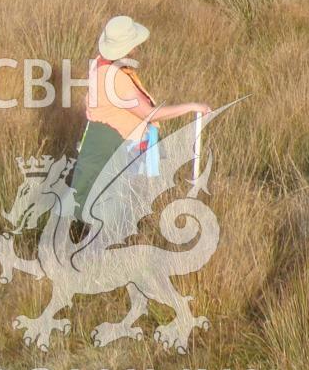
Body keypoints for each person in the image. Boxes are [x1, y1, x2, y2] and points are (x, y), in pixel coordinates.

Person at [70, 15, 212, 223]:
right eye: (134, 44)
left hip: (99, 139)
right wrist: (191, 107)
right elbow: (148, 114)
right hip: (115, 145)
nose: (137, 47)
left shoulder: (98, 63)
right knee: (112, 206)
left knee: (94, 197)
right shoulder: (117, 78)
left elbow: (88, 98)